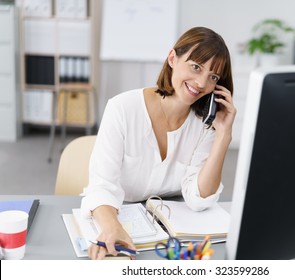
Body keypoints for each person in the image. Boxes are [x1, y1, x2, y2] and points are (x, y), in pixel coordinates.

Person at [80, 26, 236, 260]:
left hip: (171, 239)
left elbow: (199, 198)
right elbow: (102, 186)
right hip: (121, 221)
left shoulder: (205, 124)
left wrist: (224, 135)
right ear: (173, 58)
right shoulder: (122, 108)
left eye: (213, 77)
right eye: (196, 67)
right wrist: (112, 227)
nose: (202, 83)